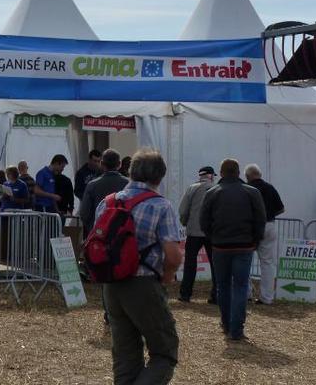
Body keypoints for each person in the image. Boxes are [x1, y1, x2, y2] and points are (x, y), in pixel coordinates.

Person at [96, 148, 183, 385]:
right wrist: (167, 277)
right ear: (159, 177)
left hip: (111, 285)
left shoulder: (108, 202)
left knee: (125, 354)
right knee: (164, 351)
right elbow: (173, 256)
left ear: (131, 172)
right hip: (143, 283)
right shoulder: (160, 205)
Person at [200, 159, 266, 342]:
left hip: (220, 246)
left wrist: (213, 238)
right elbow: (261, 220)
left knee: (223, 286)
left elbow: (203, 222)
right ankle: (236, 329)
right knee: (240, 286)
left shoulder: (212, 193)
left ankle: (226, 323)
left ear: (221, 173)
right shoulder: (252, 192)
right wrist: (255, 241)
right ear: (238, 173)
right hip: (244, 245)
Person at [244, 164, 285, 305]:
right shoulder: (270, 188)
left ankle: (246, 293)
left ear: (247, 177)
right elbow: (281, 209)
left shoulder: (247, 189)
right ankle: (267, 297)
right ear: (259, 174)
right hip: (269, 225)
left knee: (245, 260)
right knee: (267, 263)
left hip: (251, 227)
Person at [178, 166, 217, 304]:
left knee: (190, 263)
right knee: (215, 264)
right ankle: (215, 295)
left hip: (194, 231)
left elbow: (183, 210)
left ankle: (185, 294)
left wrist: (185, 222)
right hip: (212, 232)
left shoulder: (192, 188)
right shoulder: (216, 188)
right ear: (211, 176)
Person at [79, 148, 128, 237]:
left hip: (99, 235)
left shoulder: (92, 185)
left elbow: (83, 214)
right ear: (120, 164)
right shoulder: (129, 185)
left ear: (101, 164)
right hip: (122, 235)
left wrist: (93, 228)